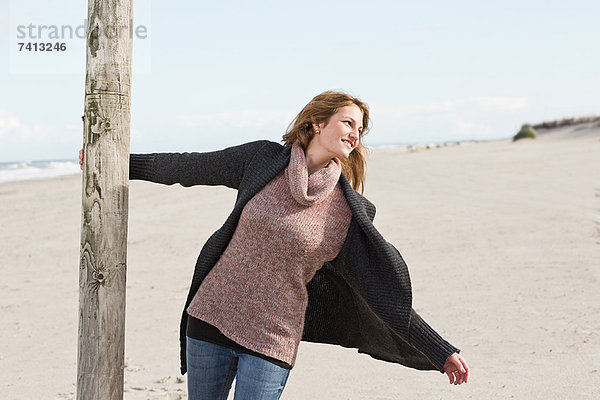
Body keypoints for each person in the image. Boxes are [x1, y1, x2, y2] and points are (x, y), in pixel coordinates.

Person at [79, 90, 469, 399]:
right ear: (317, 122)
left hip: (273, 337)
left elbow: (385, 299)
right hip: (212, 316)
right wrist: (113, 162)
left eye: (360, 130)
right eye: (348, 122)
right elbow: (188, 167)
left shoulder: (346, 213)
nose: (355, 133)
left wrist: (441, 351)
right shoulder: (262, 160)